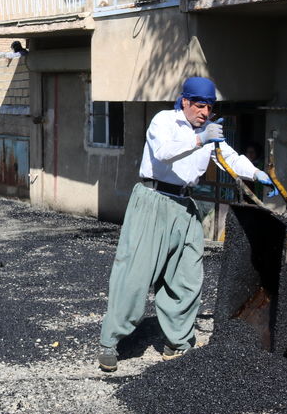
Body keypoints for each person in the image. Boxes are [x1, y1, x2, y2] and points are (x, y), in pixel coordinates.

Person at [96, 77, 274, 372]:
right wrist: (199, 139)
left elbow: (229, 158)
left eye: (210, 107)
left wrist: (257, 174)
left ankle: (177, 344)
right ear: (186, 102)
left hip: (185, 205)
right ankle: (109, 344)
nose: (205, 112)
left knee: (187, 277)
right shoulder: (164, 121)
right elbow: (164, 152)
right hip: (152, 200)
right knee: (134, 274)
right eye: (200, 105)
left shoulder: (210, 131)